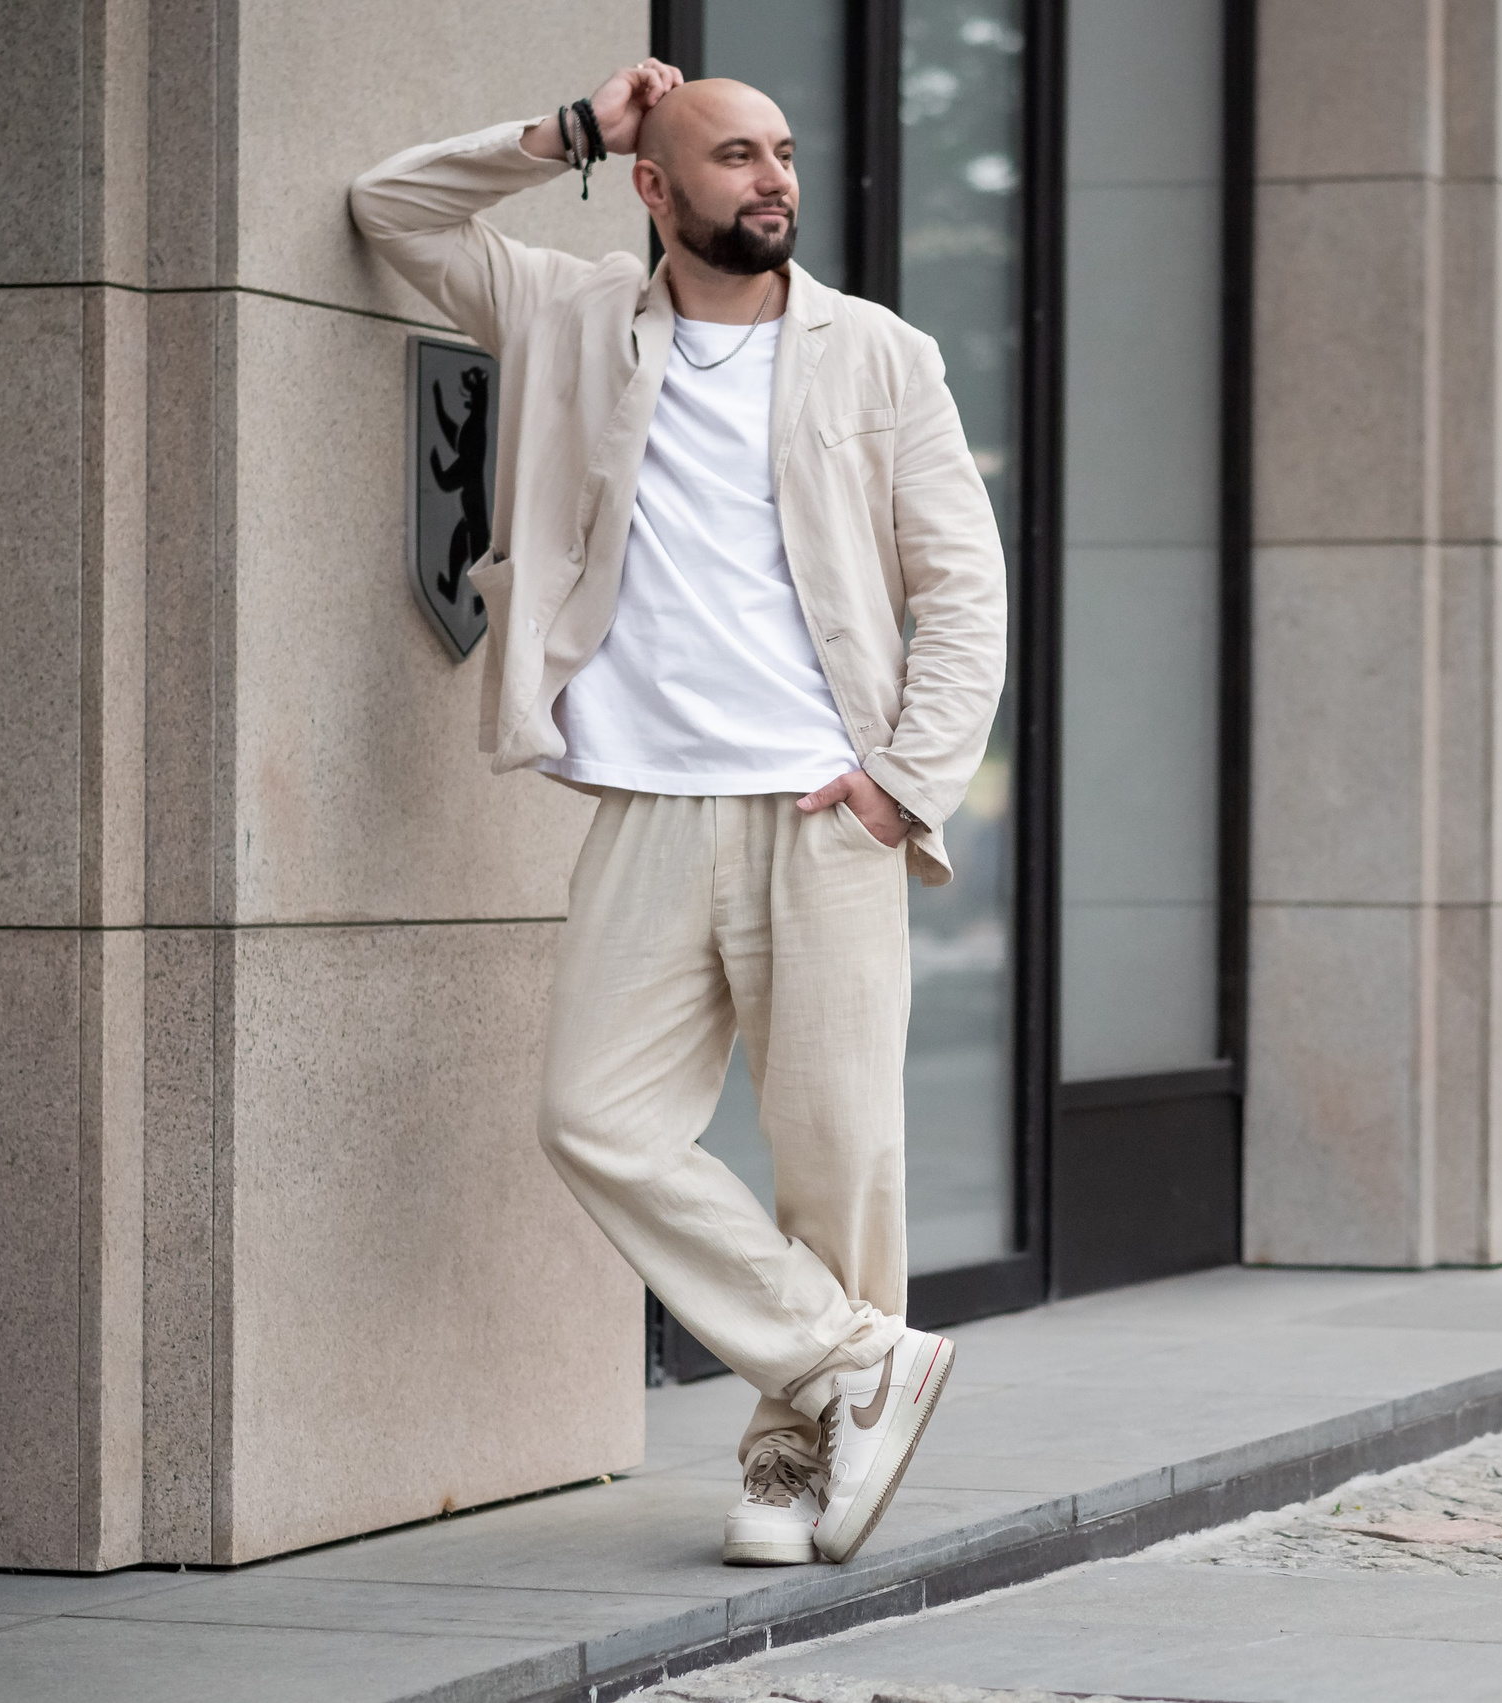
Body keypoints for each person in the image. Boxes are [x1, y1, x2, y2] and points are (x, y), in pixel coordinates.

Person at [349, 60, 1005, 1568]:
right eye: (731, 157)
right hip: (647, 802)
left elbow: (964, 588)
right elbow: (388, 208)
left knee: (838, 1153)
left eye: (782, 154)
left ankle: (790, 1454)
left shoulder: (879, 355)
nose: (772, 179)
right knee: (594, 1115)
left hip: (822, 809)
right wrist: (569, 130)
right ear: (654, 184)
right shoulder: (567, 314)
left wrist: (903, 788)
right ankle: (852, 1362)